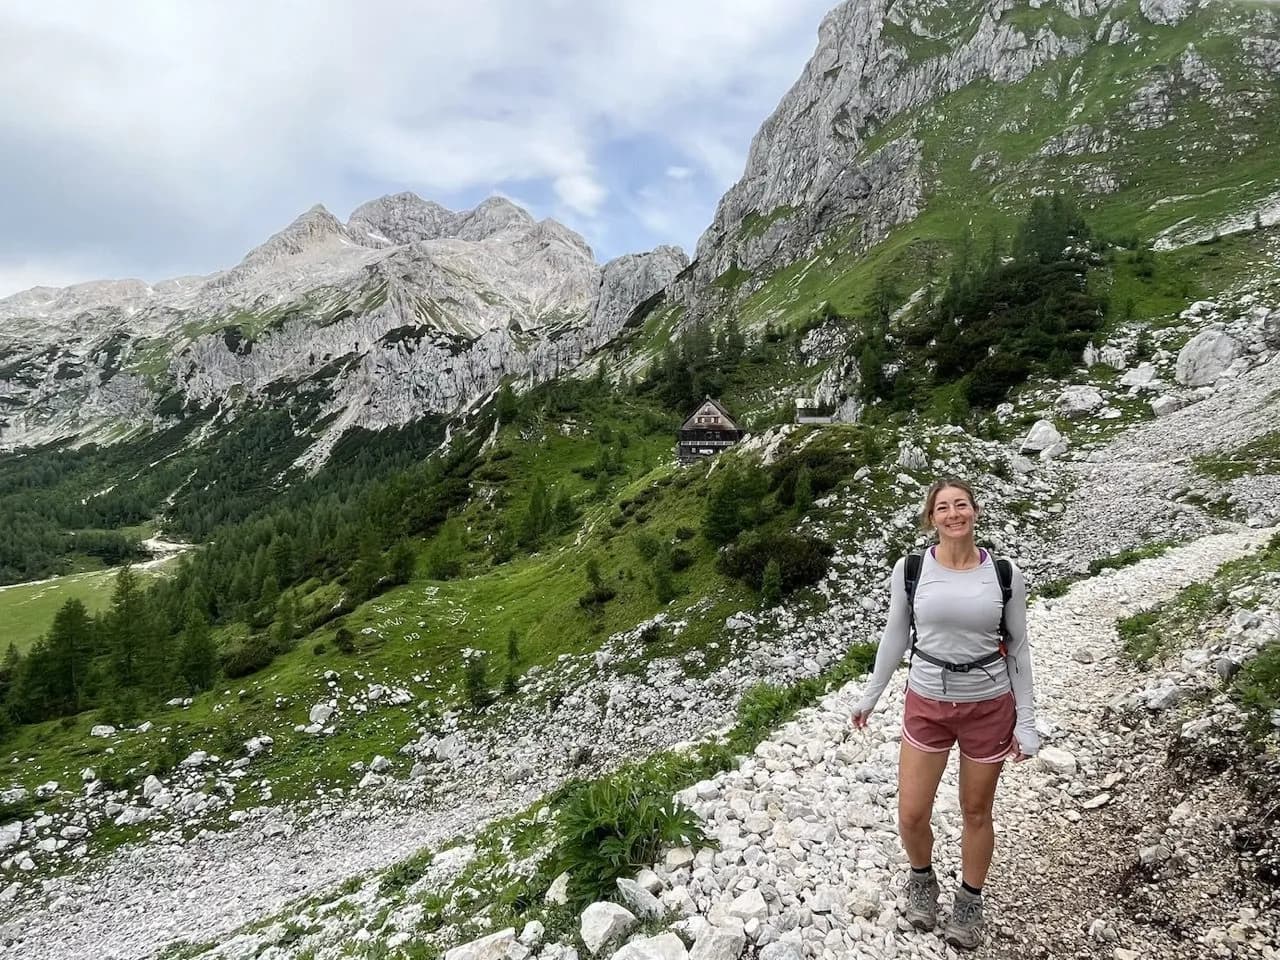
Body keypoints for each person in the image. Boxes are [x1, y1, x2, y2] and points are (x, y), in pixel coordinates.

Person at [850, 478, 1039, 951]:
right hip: (927, 701)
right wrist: (871, 694)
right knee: (912, 813)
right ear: (931, 518)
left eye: (961, 505)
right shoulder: (912, 568)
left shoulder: (1005, 572)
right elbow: (896, 634)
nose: (954, 514)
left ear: (975, 512)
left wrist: (1028, 721)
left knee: (976, 811)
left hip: (989, 705)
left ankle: (970, 902)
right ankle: (922, 879)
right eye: (942, 508)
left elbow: (1018, 648)